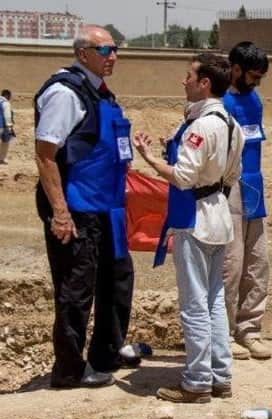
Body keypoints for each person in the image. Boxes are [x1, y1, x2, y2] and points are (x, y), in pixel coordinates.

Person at [133, 53, 244, 403]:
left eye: (189, 76)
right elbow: (233, 175)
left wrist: (150, 160)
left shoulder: (200, 127)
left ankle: (196, 381)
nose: (184, 82)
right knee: (214, 302)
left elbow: (182, 177)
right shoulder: (231, 123)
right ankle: (220, 375)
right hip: (218, 214)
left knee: (195, 304)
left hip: (195, 218)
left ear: (205, 82)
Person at [34, 25, 133, 388]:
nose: (113, 57)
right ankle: (69, 372)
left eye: (115, 50)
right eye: (105, 50)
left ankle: (104, 358)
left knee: (118, 281)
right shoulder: (65, 93)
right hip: (77, 210)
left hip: (108, 209)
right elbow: (46, 156)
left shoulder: (102, 95)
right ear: (83, 54)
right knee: (76, 291)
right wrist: (60, 212)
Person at [222, 41, 272, 361]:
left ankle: (249, 329)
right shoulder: (221, 102)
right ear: (236, 69)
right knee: (231, 264)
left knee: (258, 261)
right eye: (253, 76)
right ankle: (222, 332)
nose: (256, 82)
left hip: (255, 184)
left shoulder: (255, 100)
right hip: (229, 189)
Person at [0, 89, 16, 164]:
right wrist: (9, 127)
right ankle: (1, 158)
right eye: (10, 96)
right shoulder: (5, 103)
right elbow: (7, 116)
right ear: (7, 95)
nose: (10, 98)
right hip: (2, 126)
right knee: (5, 142)